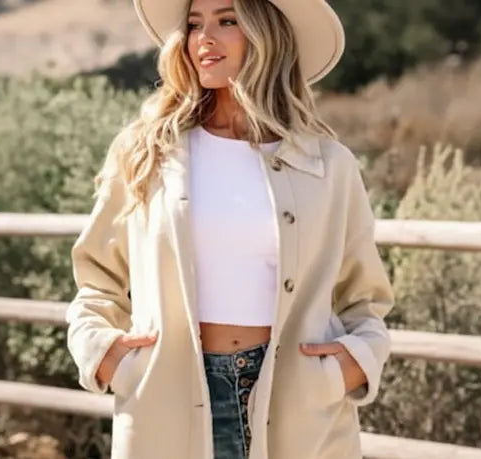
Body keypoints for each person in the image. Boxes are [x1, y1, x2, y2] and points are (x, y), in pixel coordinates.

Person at [65, 0, 394, 458]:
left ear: (268, 34)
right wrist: (103, 352)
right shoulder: (146, 153)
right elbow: (96, 279)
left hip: (299, 404)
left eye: (227, 21)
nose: (205, 38)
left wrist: (354, 363)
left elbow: (365, 298)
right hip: (168, 397)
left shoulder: (328, 165)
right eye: (195, 24)